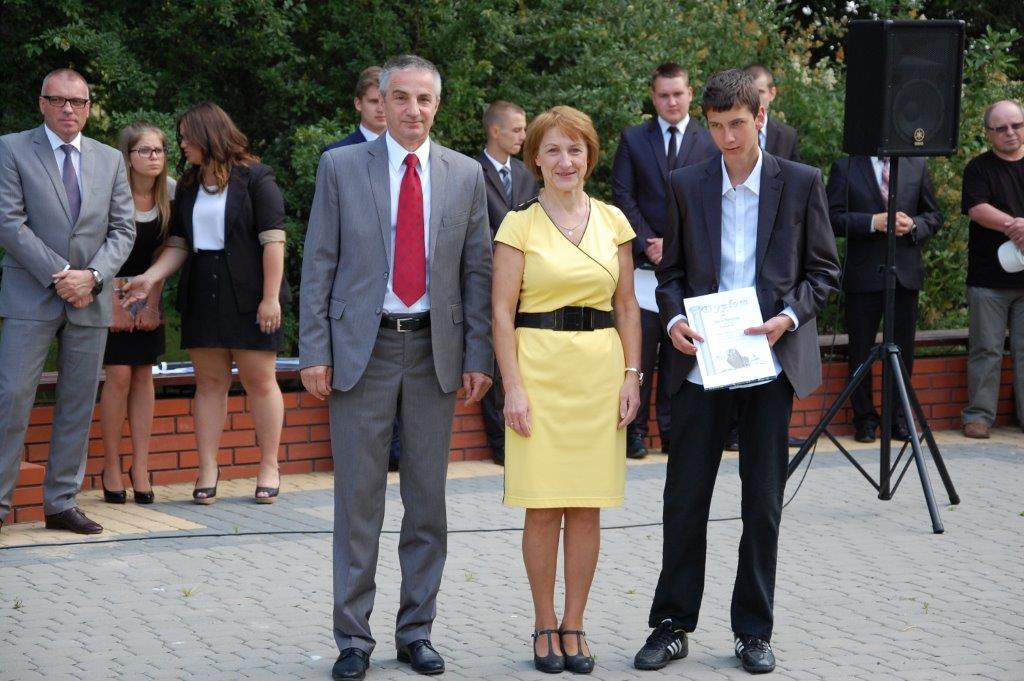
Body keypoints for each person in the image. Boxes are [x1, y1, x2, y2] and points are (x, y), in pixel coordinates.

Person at [634, 69, 839, 675]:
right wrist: (674, 321)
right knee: (685, 498)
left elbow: (824, 272)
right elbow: (670, 274)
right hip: (700, 365)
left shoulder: (800, 182)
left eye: (738, 125)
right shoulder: (685, 183)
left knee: (763, 503)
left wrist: (788, 318)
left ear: (760, 118)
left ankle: (753, 630)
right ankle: (671, 625)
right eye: (718, 126)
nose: (728, 137)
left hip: (769, 364)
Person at [299, 54, 492, 681]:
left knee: (427, 501)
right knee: (358, 502)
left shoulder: (464, 173)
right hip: (364, 351)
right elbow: (319, 261)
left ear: (438, 105)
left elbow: (477, 271)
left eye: (424, 99)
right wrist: (315, 350)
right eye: (400, 98)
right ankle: (353, 639)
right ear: (380, 102)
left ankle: (417, 632)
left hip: (435, 351)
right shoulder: (341, 166)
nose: (413, 110)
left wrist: (478, 355)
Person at [493, 105, 641, 674]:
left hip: (599, 374)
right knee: (542, 508)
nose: (565, 160)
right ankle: (543, 622)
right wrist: (513, 387)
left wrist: (632, 375)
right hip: (538, 372)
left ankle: (575, 623)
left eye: (575, 149)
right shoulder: (518, 224)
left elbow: (627, 306)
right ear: (535, 158)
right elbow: (500, 313)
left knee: (586, 508)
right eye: (552, 150)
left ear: (589, 156)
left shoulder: (614, 221)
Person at [122, 102, 289, 505]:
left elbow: (273, 241)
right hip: (202, 291)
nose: (181, 145)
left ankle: (269, 466)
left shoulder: (257, 178)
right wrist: (150, 277)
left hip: (251, 294)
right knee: (210, 384)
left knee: (259, 381)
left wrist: (270, 298)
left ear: (207, 135)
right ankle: (208, 468)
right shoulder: (190, 184)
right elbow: (179, 244)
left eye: (186, 138)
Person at [0, 68, 135, 535]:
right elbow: (9, 222)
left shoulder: (110, 159)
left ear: (89, 107)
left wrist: (92, 277)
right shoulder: (12, 148)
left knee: (78, 402)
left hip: (89, 299)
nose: (68, 109)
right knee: (12, 397)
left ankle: (60, 504)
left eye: (77, 102)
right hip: (30, 294)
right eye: (58, 100)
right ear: (42, 104)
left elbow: (123, 229)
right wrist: (63, 275)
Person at [612, 62, 717, 458]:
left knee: (679, 356)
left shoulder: (710, 141)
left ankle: (672, 433)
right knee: (638, 354)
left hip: (688, 270)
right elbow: (623, 196)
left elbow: (712, 200)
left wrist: (675, 246)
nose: (672, 101)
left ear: (690, 94)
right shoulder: (633, 139)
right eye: (664, 95)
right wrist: (648, 243)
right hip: (642, 271)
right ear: (653, 98)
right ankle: (634, 433)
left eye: (678, 94)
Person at [827, 154, 942, 443]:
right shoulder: (846, 166)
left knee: (902, 351)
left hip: (904, 275)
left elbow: (933, 216)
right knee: (860, 350)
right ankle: (864, 420)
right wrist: (871, 222)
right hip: (863, 274)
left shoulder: (916, 164)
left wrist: (914, 225)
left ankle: (898, 419)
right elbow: (830, 218)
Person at [322, 65, 402, 471]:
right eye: (374, 101)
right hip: (360, 313)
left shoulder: (431, 163)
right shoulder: (338, 159)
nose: (382, 110)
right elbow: (325, 251)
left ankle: (398, 453)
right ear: (359, 104)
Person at [100, 123, 177, 504]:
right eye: (144, 151)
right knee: (118, 375)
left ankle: (140, 466)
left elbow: (168, 250)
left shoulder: (171, 192)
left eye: (158, 151)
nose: (153, 158)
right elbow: (97, 248)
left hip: (148, 291)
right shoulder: (110, 192)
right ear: (127, 157)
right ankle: (111, 465)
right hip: (106, 291)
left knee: (144, 374)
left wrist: (150, 301)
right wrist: (111, 302)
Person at [476, 100, 539, 465]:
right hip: (490, 278)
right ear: (495, 131)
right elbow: (476, 229)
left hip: (529, 281)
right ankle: (499, 442)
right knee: (494, 360)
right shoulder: (472, 172)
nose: (523, 136)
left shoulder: (526, 173)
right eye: (516, 129)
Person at [960, 99, 1024, 438]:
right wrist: (1017, 226)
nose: (1010, 133)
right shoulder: (978, 169)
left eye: (1016, 125)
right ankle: (979, 416)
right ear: (989, 133)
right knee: (985, 349)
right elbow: (977, 209)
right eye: (1001, 128)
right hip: (988, 280)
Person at [323, 66, 388, 153]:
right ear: (358, 104)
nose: (380, 109)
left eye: (385, 101)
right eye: (374, 101)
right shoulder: (336, 154)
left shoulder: (405, 150)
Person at [744, 64, 800, 163]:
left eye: (760, 91)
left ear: (772, 93)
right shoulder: (728, 134)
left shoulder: (788, 136)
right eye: (749, 92)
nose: (754, 98)